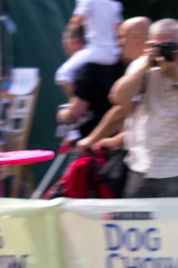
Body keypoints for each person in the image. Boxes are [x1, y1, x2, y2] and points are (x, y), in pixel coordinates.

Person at [109, 18, 178, 198]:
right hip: (141, 166)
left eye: (171, 45)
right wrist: (145, 64)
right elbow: (118, 98)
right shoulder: (142, 65)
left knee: (176, 226)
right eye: (160, 46)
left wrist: (176, 77)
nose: (166, 51)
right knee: (136, 225)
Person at [75, 16, 151, 153]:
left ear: (137, 38)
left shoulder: (139, 65)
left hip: (150, 159)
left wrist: (91, 139)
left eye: (122, 37)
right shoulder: (164, 64)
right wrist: (118, 139)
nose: (118, 42)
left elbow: (120, 111)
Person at [56, 24, 117, 155]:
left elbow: (76, 112)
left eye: (65, 44)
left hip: (93, 147)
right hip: (108, 140)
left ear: (73, 43)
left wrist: (63, 115)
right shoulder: (109, 66)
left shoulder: (87, 70)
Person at [55, 0, 122, 98]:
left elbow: (76, 22)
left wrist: (71, 29)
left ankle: (77, 108)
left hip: (96, 51)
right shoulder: (114, 4)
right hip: (113, 55)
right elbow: (119, 29)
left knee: (62, 74)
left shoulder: (87, 1)